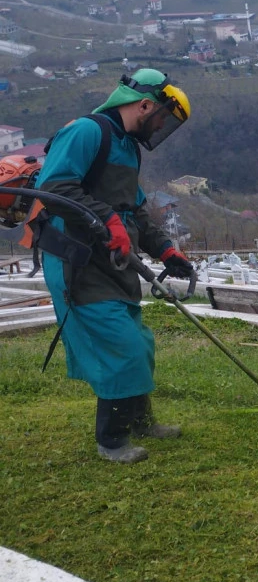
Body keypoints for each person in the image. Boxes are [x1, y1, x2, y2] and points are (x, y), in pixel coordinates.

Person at [35, 68, 194, 463]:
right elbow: (54, 189)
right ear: (144, 105)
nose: (161, 127)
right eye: (161, 118)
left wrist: (166, 250)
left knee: (138, 343)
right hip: (79, 262)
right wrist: (106, 221)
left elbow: (135, 209)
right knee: (120, 347)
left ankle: (141, 421)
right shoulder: (89, 132)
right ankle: (112, 441)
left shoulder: (127, 147)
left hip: (114, 262)